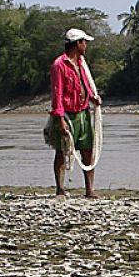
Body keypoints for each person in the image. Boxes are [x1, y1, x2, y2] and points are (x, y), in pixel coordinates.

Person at [43, 28, 102, 197]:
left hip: (83, 112)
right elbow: (58, 93)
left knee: (87, 151)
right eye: (84, 42)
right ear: (77, 44)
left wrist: (92, 98)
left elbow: (84, 83)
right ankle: (60, 188)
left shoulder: (81, 63)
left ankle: (90, 190)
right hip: (68, 115)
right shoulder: (59, 65)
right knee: (63, 151)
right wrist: (60, 119)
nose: (86, 45)